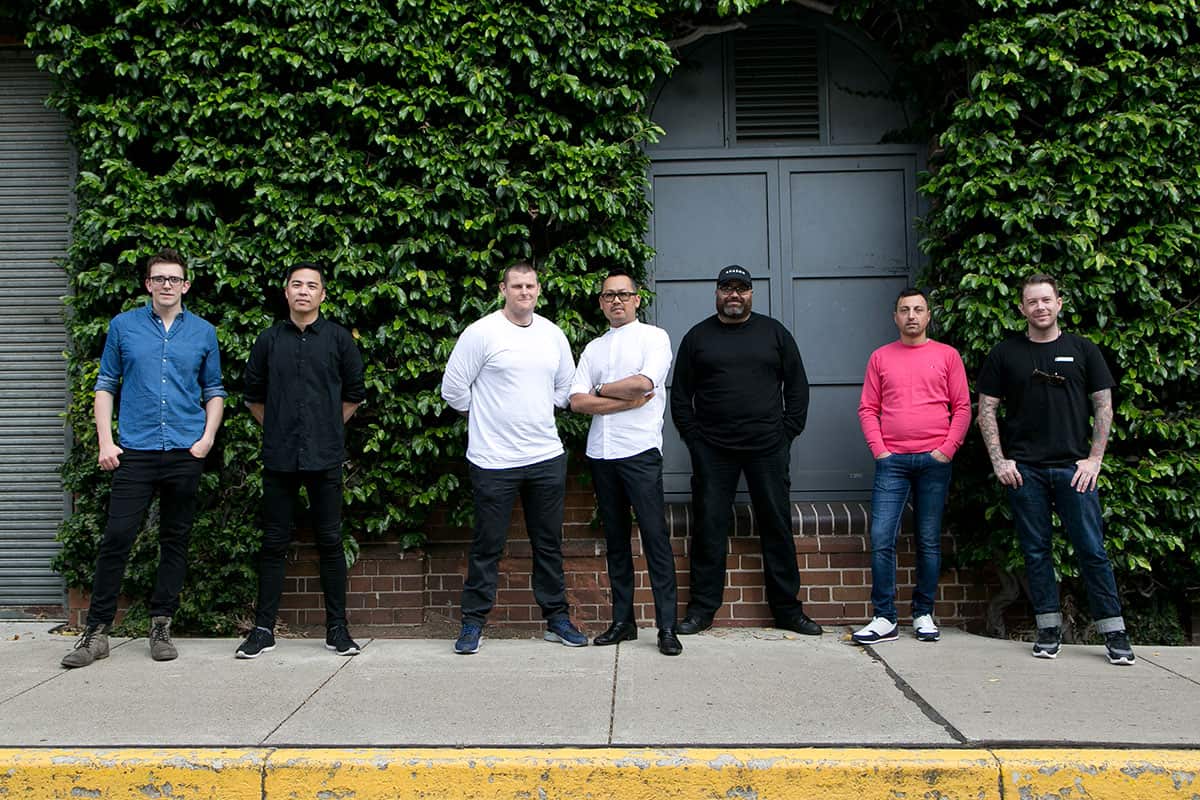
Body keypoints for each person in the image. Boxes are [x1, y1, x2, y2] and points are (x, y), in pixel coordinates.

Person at [62, 248, 226, 669]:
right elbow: (105, 384)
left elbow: (214, 390)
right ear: (148, 284)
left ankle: (161, 624)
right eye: (159, 279)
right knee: (117, 538)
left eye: (174, 279)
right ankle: (97, 632)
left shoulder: (204, 332)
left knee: (175, 540)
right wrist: (105, 441)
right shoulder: (124, 327)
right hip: (134, 451)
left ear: (186, 285)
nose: (167, 285)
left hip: (185, 452)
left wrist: (206, 438)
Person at [977, 274, 1134, 665]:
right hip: (1025, 472)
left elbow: (1103, 405)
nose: (1040, 307)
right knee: (1036, 552)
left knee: (1092, 551)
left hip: (1073, 470)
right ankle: (1048, 630)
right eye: (1032, 302)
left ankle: (1115, 634)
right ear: (1021, 309)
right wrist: (1000, 461)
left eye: (1046, 300)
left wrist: (1095, 459)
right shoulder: (1004, 354)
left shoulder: (1084, 350)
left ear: (1059, 303)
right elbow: (986, 409)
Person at [440, 260, 587, 654]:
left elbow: (564, 389)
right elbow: (453, 389)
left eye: (531, 286)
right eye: (517, 286)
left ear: (539, 290)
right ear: (503, 289)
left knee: (548, 544)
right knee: (487, 545)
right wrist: (488, 415)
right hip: (493, 460)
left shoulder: (552, 335)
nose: (525, 292)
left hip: (545, 457)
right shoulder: (481, 333)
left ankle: (557, 619)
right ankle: (473, 624)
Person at [669, 264, 821, 636]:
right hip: (714, 451)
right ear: (717, 292)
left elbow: (798, 387)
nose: (734, 294)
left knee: (777, 527)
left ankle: (787, 610)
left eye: (741, 288)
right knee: (708, 528)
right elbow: (680, 395)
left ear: (751, 293)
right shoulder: (698, 337)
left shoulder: (774, 333)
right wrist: (696, 440)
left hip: (767, 447)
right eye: (727, 288)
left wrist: (786, 434)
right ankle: (702, 610)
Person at [236, 263, 365, 659]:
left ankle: (337, 629)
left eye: (312, 286)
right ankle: (262, 630)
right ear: (286, 291)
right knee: (273, 542)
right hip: (279, 458)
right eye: (297, 284)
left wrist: (323, 426)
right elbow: (253, 397)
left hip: (325, 458)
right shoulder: (269, 340)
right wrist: (278, 428)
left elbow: (354, 396)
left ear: (322, 295)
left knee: (330, 541)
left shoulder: (340, 340)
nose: (304, 291)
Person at [569, 270, 682, 656]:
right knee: (615, 542)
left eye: (623, 294)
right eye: (608, 296)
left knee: (655, 539)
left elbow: (644, 383)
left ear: (637, 299)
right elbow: (576, 401)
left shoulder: (655, 338)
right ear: (601, 303)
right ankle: (623, 622)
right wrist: (622, 400)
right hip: (602, 454)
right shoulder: (594, 349)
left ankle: (667, 626)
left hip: (639, 453)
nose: (616, 301)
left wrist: (601, 390)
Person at [852, 288, 970, 645]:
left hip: (935, 460)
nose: (912, 316)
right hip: (893, 462)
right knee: (882, 537)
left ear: (929, 315)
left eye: (918, 309)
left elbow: (962, 407)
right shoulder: (881, 357)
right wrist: (881, 451)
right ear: (895, 317)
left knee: (928, 540)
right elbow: (868, 408)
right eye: (904, 310)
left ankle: (923, 613)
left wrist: (947, 450)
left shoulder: (947, 356)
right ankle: (884, 617)